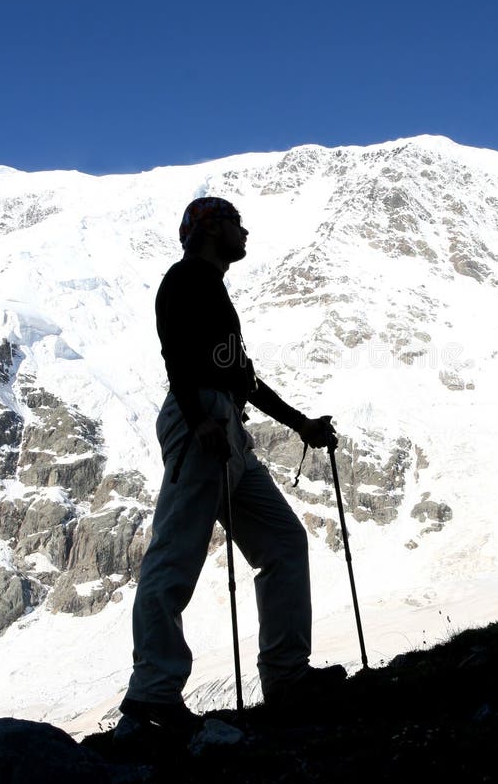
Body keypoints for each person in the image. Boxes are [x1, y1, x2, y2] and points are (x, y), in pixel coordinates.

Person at [118, 196, 346, 735]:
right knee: (175, 553)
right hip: (203, 419)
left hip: (227, 426)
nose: (245, 232)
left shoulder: (214, 291)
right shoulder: (186, 279)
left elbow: (243, 377)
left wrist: (300, 424)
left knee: (284, 543)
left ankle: (287, 677)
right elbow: (174, 352)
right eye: (235, 223)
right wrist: (199, 420)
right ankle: (152, 694)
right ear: (210, 229)